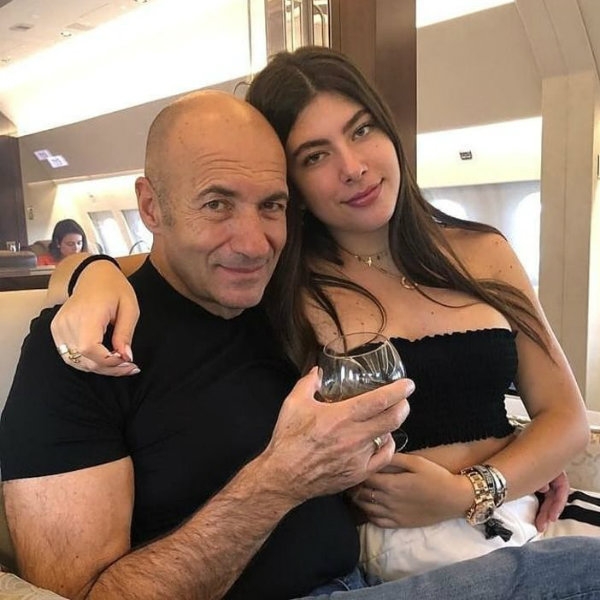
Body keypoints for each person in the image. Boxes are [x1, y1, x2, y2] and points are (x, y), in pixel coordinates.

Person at [3, 91, 600, 600]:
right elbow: (78, 595)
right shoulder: (81, 351)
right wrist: (279, 481)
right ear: (151, 207)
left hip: (366, 576)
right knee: (581, 569)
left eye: (272, 205)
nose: (253, 242)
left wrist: (508, 466)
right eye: (217, 203)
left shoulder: (280, 304)